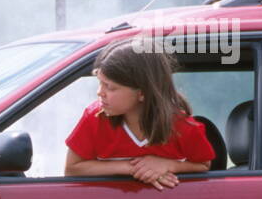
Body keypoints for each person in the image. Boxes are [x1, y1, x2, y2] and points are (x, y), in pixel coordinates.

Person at [63, 38, 214, 190]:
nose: (100, 92)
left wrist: (168, 165)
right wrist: (133, 168)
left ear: (142, 93)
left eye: (110, 87)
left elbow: (203, 165)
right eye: (100, 82)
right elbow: (72, 169)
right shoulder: (94, 118)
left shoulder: (183, 127)